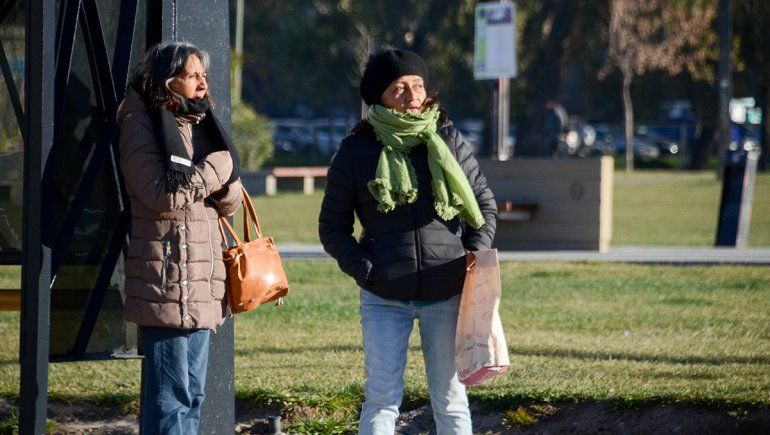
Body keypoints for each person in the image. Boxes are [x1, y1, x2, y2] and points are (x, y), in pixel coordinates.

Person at [319, 48, 497, 434]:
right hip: (384, 295)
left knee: (450, 400)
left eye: (418, 85)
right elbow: (332, 227)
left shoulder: (446, 138)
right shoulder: (356, 150)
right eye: (400, 88)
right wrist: (365, 271)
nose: (413, 95)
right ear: (377, 96)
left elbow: (483, 205)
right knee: (382, 399)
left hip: (447, 290)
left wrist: (472, 255)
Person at [116, 41, 242, 434]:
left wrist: (220, 177)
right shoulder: (139, 122)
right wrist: (216, 171)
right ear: (166, 81)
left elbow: (231, 200)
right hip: (165, 280)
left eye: (204, 76)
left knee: (194, 397)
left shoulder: (199, 122)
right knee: (170, 399)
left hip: (201, 283)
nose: (203, 85)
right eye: (193, 76)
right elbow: (161, 195)